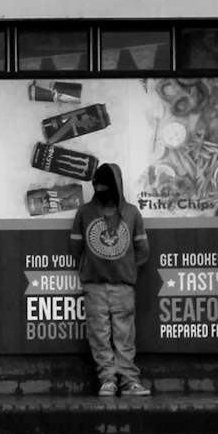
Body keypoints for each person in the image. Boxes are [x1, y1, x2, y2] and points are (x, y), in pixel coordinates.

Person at [70, 162, 150, 397]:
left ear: (116, 186)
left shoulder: (132, 213)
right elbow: (75, 247)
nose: (100, 189)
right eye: (97, 185)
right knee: (99, 336)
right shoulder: (84, 213)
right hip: (94, 286)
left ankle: (129, 382)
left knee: (125, 336)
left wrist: (124, 269)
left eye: (105, 185)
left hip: (123, 287)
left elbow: (143, 250)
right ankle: (107, 380)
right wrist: (94, 267)